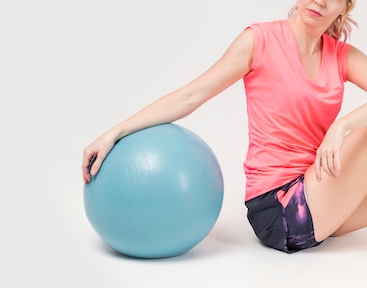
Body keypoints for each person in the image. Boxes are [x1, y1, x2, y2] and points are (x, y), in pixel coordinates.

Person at [82, 0, 367, 253]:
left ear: (346, 6)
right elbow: (190, 96)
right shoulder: (260, 40)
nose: (319, 1)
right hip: (279, 208)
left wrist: (341, 127)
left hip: (322, 194)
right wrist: (115, 132)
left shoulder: (341, 55)